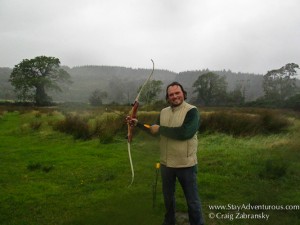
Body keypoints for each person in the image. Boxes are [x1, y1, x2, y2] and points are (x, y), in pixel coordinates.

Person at [129, 81, 205, 225]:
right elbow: (154, 130)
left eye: (177, 93)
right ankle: (169, 222)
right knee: (168, 200)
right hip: (166, 165)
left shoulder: (192, 111)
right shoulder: (164, 112)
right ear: (167, 97)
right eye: (171, 94)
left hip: (186, 165)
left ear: (183, 93)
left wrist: (161, 130)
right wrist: (137, 124)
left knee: (193, 201)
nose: (175, 96)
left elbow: (185, 133)